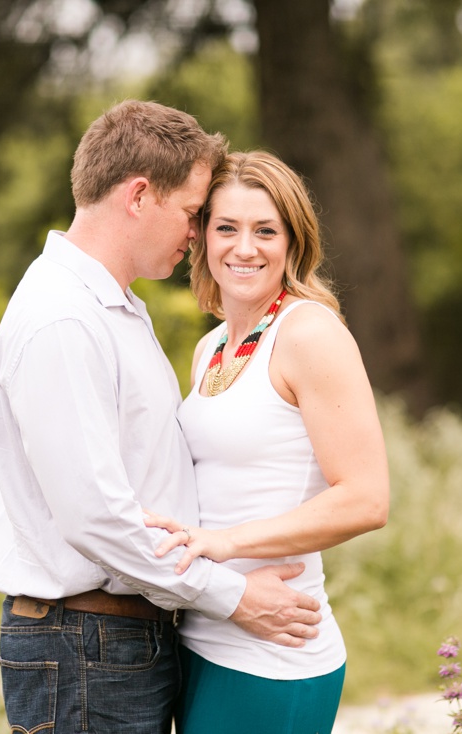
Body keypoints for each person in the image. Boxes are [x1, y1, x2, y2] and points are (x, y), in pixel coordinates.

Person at [0, 103, 325, 734]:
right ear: (139, 196)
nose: (198, 233)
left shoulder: (112, 307)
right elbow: (94, 516)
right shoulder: (65, 318)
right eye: (194, 212)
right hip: (87, 644)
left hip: (116, 642)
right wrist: (233, 597)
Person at [143, 150, 390, 734]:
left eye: (265, 231)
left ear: (293, 242)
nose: (244, 247)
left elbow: (366, 498)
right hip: (203, 637)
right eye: (226, 227)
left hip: (274, 653)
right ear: (200, 236)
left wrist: (225, 544)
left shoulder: (309, 332)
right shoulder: (211, 349)